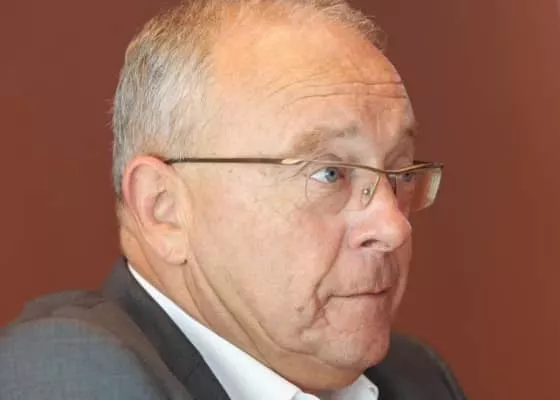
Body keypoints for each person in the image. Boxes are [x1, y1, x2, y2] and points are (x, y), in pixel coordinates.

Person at [0, 0, 466, 399]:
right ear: (164, 209)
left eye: (399, 172)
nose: (393, 227)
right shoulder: (71, 373)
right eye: (329, 173)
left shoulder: (415, 380)